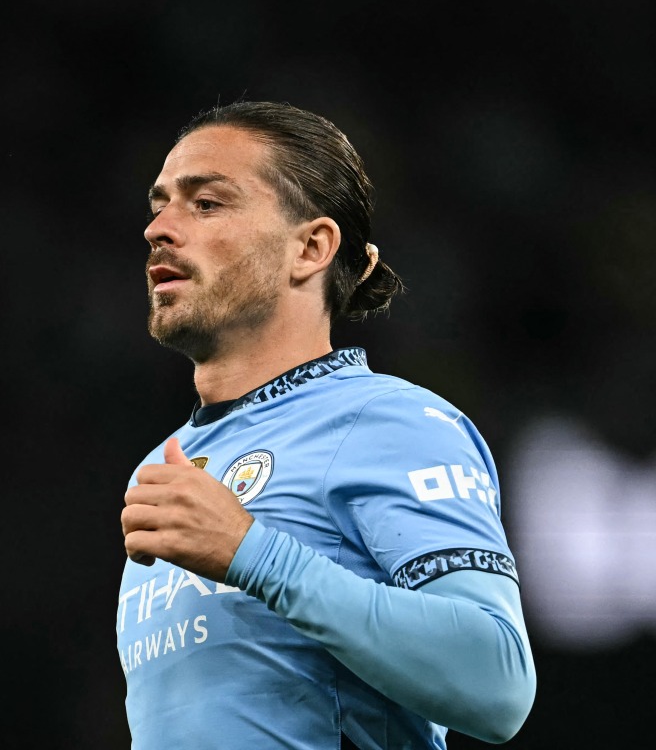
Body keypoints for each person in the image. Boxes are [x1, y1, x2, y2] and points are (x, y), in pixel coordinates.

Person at [117, 100, 536, 749]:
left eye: (206, 204)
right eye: (159, 204)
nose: (159, 229)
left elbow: (497, 683)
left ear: (310, 247)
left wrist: (252, 553)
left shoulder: (390, 422)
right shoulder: (166, 466)